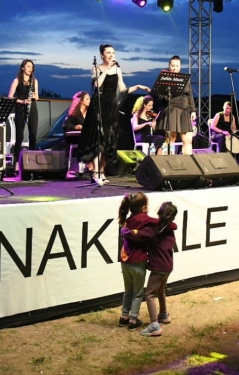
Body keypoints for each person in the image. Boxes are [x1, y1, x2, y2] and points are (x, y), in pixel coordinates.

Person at [78, 44, 149, 184]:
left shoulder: (117, 69)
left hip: (111, 107)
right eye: (108, 52)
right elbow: (97, 85)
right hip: (98, 106)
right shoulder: (96, 68)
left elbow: (123, 89)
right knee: (98, 140)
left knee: (108, 140)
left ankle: (102, 171)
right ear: (102, 55)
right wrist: (107, 69)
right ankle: (95, 173)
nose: (111, 55)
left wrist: (138, 87)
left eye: (113, 52)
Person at [122, 201, 178, 337]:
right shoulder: (170, 228)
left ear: (159, 213)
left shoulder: (154, 230)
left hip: (158, 267)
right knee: (160, 290)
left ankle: (154, 325)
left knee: (149, 294)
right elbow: (173, 224)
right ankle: (163, 314)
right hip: (168, 266)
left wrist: (125, 231)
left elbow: (137, 236)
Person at [117, 192, 153, 331]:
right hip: (138, 261)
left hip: (125, 261)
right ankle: (133, 319)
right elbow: (156, 224)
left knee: (128, 291)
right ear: (144, 208)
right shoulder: (145, 220)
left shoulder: (127, 221)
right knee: (138, 292)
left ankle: (124, 316)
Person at [156, 55, 197, 155]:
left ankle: (188, 165)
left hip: (184, 110)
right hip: (172, 110)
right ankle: (163, 163)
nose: (175, 68)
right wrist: (166, 97)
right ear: (169, 66)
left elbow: (189, 95)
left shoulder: (184, 79)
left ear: (180, 67)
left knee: (188, 139)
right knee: (171, 139)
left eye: (177, 66)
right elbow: (160, 97)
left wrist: (193, 110)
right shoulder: (165, 78)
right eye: (173, 65)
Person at [7, 59, 39, 165]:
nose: (30, 69)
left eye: (32, 67)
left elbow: (37, 97)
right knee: (19, 136)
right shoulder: (17, 81)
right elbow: (10, 97)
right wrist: (22, 101)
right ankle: (16, 163)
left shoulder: (34, 81)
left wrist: (34, 96)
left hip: (32, 109)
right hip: (20, 109)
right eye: (28, 66)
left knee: (33, 136)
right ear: (22, 67)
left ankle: (33, 162)